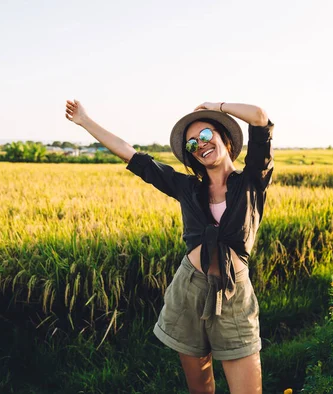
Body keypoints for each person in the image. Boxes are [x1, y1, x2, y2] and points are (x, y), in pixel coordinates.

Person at [65, 99, 273, 393]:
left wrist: (217, 106)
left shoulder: (252, 181)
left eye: (204, 135)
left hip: (233, 293)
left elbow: (260, 117)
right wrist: (85, 120)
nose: (199, 145)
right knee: (200, 389)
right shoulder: (186, 187)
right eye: (191, 144)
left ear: (225, 138)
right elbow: (131, 155)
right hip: (188, 288)